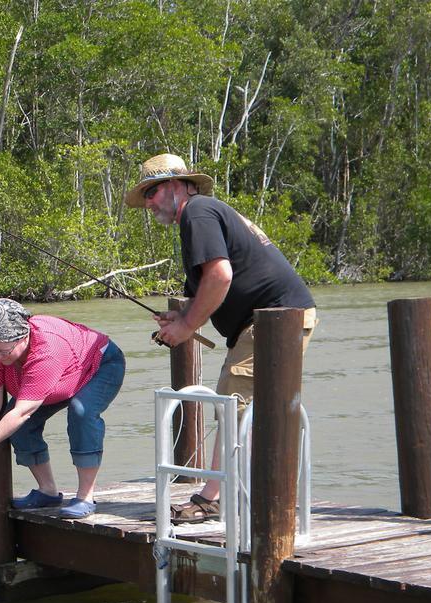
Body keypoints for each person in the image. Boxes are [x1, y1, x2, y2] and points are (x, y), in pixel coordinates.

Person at [124, 153, 317, 522]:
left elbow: (221, 276)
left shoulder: (196, 213)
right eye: (145, 195)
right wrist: (182, 316)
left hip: (273, 320)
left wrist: (186, 327)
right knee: (242, 405)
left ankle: (213, 499)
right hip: (271, 320)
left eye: (152, 191)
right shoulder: (203, 213)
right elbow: (214, 283)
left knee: (235, 407)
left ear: (178, 186)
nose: (148, 202)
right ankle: (247, 490)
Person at [0, 298, 126, 520]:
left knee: (81, 412)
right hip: (57, 380)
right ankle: (48, 490)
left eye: (4, 351)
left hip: (99, 365)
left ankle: (85, 496)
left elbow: (22, 412)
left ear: (23, 338)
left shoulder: (47, 350)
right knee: (18, 428)